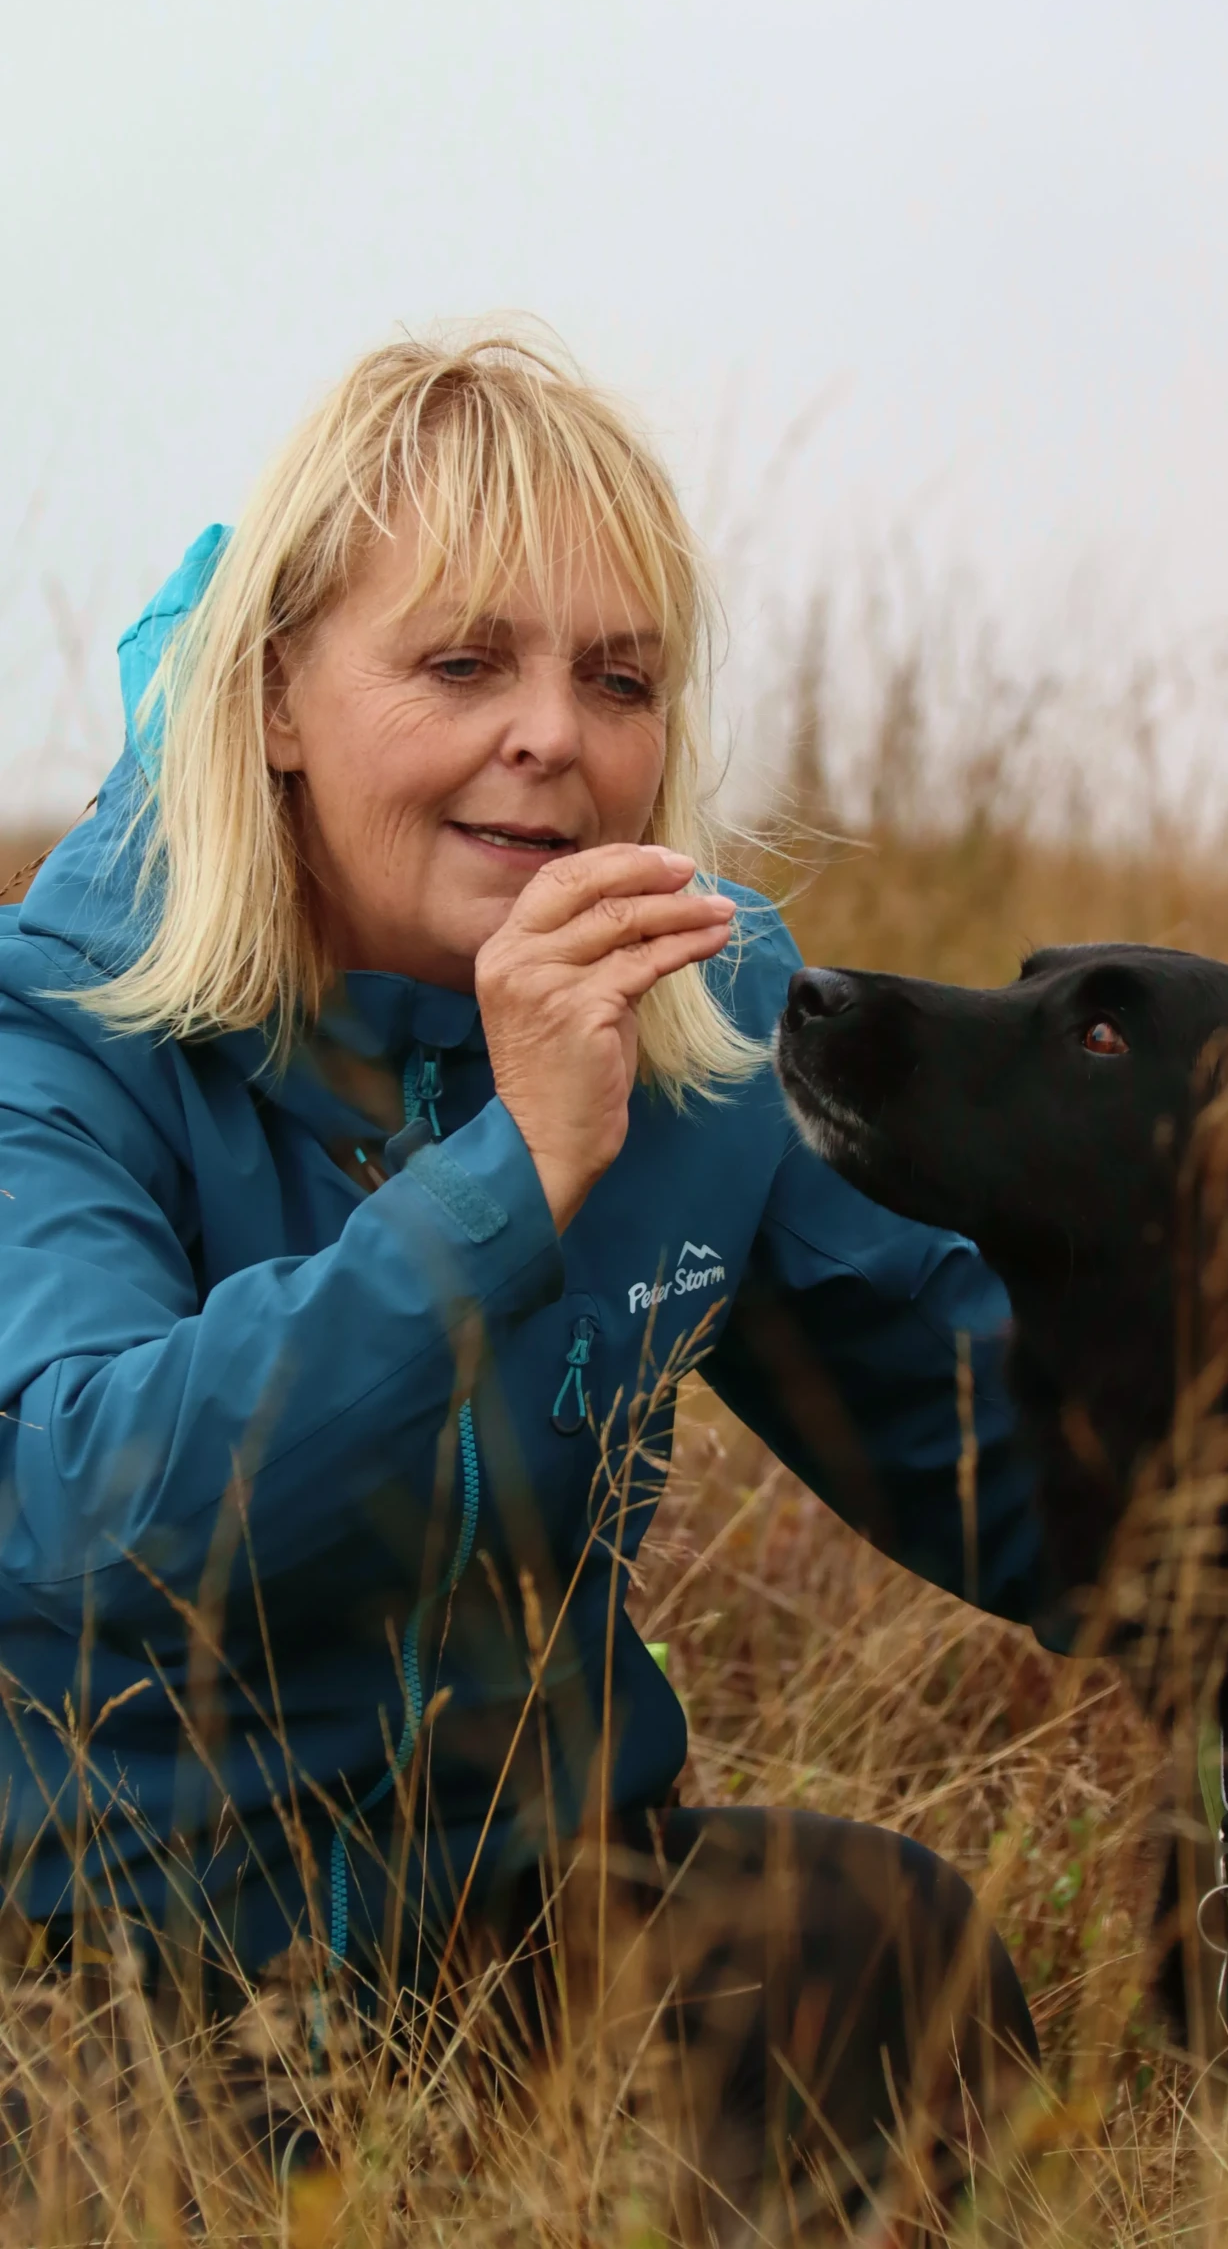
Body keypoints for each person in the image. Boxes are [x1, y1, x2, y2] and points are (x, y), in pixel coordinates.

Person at [0, 333, 1039, 2217]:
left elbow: (979, 1437)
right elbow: (80, 1518)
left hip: (521, 1919)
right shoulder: (58, 1044)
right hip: (103, 1969)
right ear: (277, 699)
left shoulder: (700, 1012)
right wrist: (511, 1177)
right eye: (464, 662)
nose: (557, 736)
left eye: (619, 678)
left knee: (881, 1945)